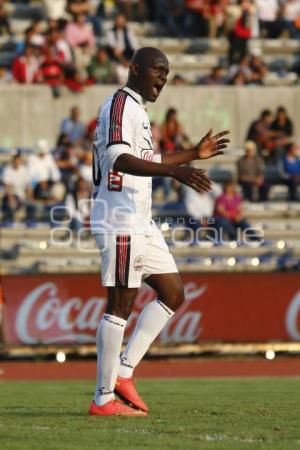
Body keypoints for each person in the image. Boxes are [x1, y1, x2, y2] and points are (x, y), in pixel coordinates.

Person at [89, 46, 230, 416]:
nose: (162, 78)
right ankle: (103, 398)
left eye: (166, 72)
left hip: (139, 219)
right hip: (118, 217)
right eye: (157, 70)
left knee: (173, 292)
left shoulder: (138, 111)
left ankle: (123, 372)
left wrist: (191, 154)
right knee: (119, 305)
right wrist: (174, 171)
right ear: (134, 69)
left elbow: (149, 158)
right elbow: (118, 158)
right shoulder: (119, 104)